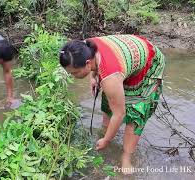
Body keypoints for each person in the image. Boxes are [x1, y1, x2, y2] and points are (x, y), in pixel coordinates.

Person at [59, 34, 165, 174]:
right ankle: (105, 130)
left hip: (147, 64)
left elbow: (119, 114)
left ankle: (126, 156)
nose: (73, 76)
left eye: (75, 72)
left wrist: (107, 141)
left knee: (135, 112)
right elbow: (97, 64)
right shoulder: (83, 47)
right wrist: (93, 77)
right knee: (110, 101)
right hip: (122, 61)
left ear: (87, 63)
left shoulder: (110, 76)